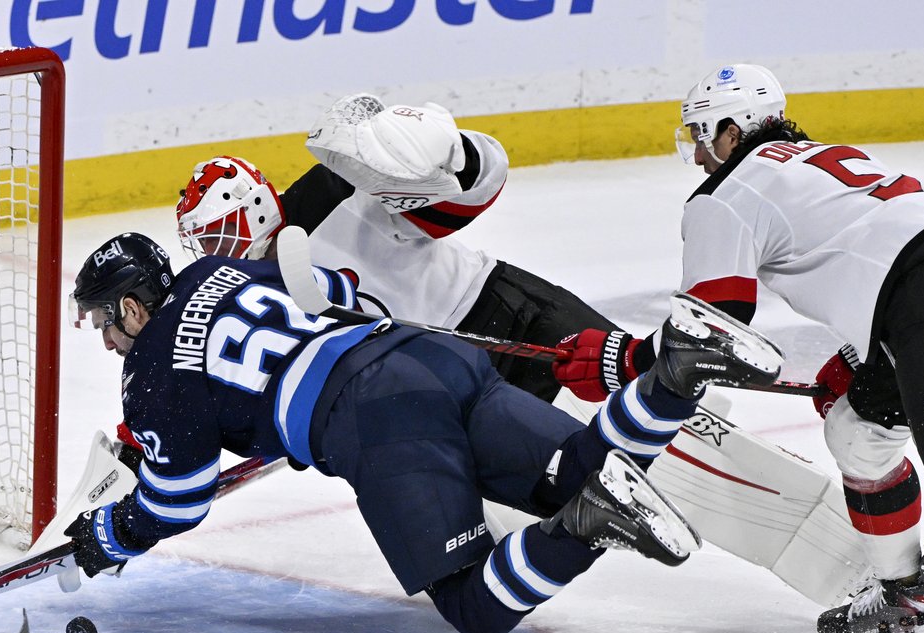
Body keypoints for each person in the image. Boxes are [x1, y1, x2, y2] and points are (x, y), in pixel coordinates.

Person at [559, 62, 924, 633]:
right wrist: (862, 355)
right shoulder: (812, 158)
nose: (695, 150)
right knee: (857, 430)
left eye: (701, 134)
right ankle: (905, 602)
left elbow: (711, 326)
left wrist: (618, 358)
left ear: (731, 127)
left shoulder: (728, 191)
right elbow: (865, 247)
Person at [62, 232, 783, 633]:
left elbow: (179, 498)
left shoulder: (151, 374)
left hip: (377, 418)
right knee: (584, 467)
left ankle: (591, 525)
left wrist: (113, 532)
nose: (106, 341)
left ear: (131, 304)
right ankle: (677, 371)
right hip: (428, 356)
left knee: (473, 605)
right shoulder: (216, 270)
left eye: (103, 322)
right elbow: (336, 289)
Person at [174, 95, 654, 403]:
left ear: (255, 208)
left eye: (218, 235)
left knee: (655, 395)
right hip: (446, 378)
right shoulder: (248, 290)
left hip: (506, 310)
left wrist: (449, 156)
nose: (217, 253)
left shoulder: (333, 189)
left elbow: (464, 199)